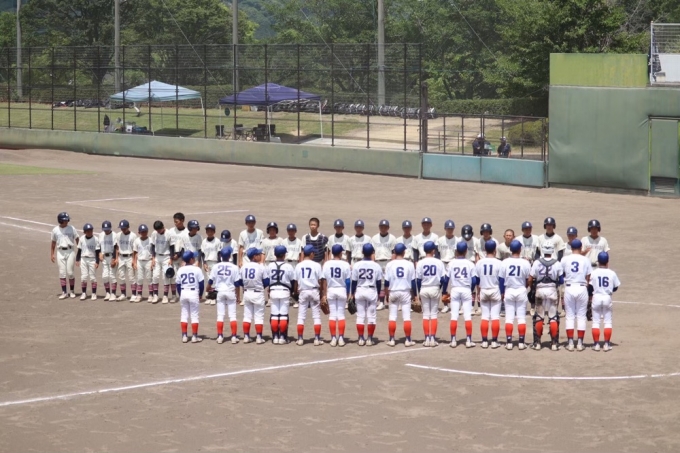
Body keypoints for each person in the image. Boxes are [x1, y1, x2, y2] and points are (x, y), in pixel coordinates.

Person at [528, 243, 564, 351]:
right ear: (552, 250)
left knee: (539, 317)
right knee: (553, 317)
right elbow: (561, 280)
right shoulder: (557, 263)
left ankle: (537, 344)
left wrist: (531, 288)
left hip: (540, 290)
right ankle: (554, 344)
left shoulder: (537, 262)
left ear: (543, 250)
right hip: (552, 290)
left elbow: (530, 278)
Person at [560, 239, 592, 352]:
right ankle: (579, 343)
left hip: (569, 287)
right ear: (581, 247)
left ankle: (570, 343)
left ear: (571, 248)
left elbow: (561, 274)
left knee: (569, 316)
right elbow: (588, 276)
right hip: (582, 287)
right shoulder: (585, 259)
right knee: (581, 317)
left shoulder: (565, 259)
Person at [498, 240, 531, 350]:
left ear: (510, 250)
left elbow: (501, 280)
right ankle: (521, 342)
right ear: (520, 249)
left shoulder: (504, 262)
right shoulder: (525, 263)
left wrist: (502, 292)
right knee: (521, 318)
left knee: (509, 318)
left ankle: (509, 342)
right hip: (521, 290)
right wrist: (525, 287)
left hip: (509, 290)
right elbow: (528, 279)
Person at [350, 243, 383, 346]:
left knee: (360, 316)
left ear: (362, 252)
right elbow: (378, 282)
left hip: (360, 290)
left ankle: (361, 338)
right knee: (371, 316)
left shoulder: (357, 265)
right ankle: (369, 339)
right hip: (371, 291)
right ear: (373, 252)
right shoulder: (376, 266)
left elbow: (354, 282)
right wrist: (378, 293)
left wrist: (352, 294)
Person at [446, 242, 478, 348]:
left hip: (455, 289)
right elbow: (474, 280)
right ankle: (468, 340)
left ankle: (453, 340)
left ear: (456, 251)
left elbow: (446, 279)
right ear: (466, 251)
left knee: (454, 316)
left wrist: (444, 291)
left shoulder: (451, 263)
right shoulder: (470, 263)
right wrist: (471, 289)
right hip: (466, 289)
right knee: (467, 316)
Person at [207, 247, 242, 344]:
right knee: (232, 316)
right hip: (231, 292)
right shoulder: (234, 267)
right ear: (230, 256)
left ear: (220, 256)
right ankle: (234, 337)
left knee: (220, 315)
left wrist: (207, 289)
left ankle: (220, 337)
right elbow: (237, 284)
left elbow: (210, 281)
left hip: (220, 292)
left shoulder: (216, 266)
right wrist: (238, 296)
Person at [416, 241, 448, 347]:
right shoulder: (439, 262)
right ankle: (433, 339)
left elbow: (418, 280)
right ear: (433, 250)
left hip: (424, 288)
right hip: (435, 288)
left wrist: (419, 291)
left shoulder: (420, 262)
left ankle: (426, 339)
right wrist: (441, 289)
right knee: (433, 314)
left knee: (426, 315)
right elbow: (443, 279)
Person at [384, 243, 417, 347]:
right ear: (404, 252)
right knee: (407, 317)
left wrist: (386, 294)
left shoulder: (389, 264)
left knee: (392, 317)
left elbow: (386, 282)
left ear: (394, 252)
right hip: (405, 292)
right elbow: (413, 282)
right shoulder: (409, 264)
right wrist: (415, 295)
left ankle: (391, 340)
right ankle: (408, 340)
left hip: (393, 291)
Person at [295, 245, 325, 346]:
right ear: (311, 253)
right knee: (316, 316)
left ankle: (300, 339)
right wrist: (322, 293)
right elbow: (321, 281)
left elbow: (296, 281)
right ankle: (317, 339)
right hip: (314, 291)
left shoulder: (298, 265)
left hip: (303, 291)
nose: (314, 254)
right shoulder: (317, 265)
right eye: (314, 253)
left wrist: (295, 292)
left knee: (301, 316)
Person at [590, 252, 620, 352]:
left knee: (596, 322)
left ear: (598, 262)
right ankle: (607, 344)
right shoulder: (612, 273)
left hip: (596, 297)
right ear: (607, 262)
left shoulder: (594, 272)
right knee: (608, 322)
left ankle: (596, 344)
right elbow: (616, 287)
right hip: (607, 297)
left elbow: (590, 287)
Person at [475, 241, 503, 349]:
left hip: (484, 289)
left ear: (485, 250)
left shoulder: (479, 263)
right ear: (495, 250)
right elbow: (501, 280)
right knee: (495, 317)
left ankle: (484, 341)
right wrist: (502, 292)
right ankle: (494, 341)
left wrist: (478, 291)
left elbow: (477, 280)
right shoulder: (499, 263)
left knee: (485, 317)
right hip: (495, 290)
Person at [322, 244, 351, 347]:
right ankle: (341, 338)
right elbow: (348, 281)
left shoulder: (326, 264)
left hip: (331, 290)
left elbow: (324, 280)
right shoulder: (345, 264)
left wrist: (324, 294)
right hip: (342, 289)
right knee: (341, 315)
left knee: (332, 316)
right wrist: (348, 293)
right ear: (340, 253)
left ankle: (333, 338)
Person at [267, 245, 296, 345]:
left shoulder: (270, 266)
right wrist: (292, 291)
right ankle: (282, 337)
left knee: (274, 315)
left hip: (273, 291)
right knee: (283, 315)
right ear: (284, 255)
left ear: (275, 254)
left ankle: (275, 337)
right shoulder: (288, 266)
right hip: (284, 291)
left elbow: (267, 279)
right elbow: (292, 281)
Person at [240, 248, 269, 344]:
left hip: (247, 293)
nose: (260, 256)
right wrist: (260, 287)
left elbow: (240, 281)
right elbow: (266, 282)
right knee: (259, 317)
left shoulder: (243, 267)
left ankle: (246, 337)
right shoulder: (261, 267)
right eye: (258, 254)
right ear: (254, 257)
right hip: (258, 293)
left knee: (247, 316)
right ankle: (259, 338)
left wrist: (246, 286)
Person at [176, 251, 205, 343]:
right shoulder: (197, 269)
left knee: (184, 315)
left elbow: (178, 285)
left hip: (184, 292)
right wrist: (200, 294)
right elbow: (201, 284)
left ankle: (184, 336)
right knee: (194, 315)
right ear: (191, 259)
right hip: (193, 293)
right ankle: (194, 337)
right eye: (194, 258)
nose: (195, 259)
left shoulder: (180, 270)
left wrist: (181, 294)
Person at [51, 212, 79, 299]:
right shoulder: (55, 230)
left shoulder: (72, 228)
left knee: (70, 272)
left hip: (70, 251)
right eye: (65, 220)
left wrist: (79, 252)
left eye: (67, 220)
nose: (67, 221)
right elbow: (53, 242)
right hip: (60, 252)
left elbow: (77, 239)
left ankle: (72, 291)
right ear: (60, 221)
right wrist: (52, 254)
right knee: (62, 273)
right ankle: (64, 292)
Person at [371, 219, 396, 310]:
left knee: (390, 281)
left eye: (385, 227)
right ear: (379, 227)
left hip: (388, 261)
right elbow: (373, 252)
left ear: (388, 227)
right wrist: (373, 262)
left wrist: (392, 263)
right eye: (381, 227)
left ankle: (391, 300)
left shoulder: (392, 238)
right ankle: (381, 302)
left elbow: (394, 252)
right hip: (378, 261)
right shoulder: (374, 238)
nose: (383, 228)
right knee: (380, 282)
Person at [436, 219, 458, 314]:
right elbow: (437, 254)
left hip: (452, 263)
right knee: (442, 284)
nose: (450, 230)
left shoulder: (457, 240)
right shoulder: (440, 240)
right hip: (442, 263)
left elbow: (458, 253)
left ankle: (454, 305)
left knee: (452, 285)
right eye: (448, 228)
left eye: (451, 228)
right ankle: (445, 305)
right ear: (445, 229)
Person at [460, 224, 481, 315]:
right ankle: (463, 306)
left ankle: (473, 307)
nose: (467, 237)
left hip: (473, 264)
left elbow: (477, 254)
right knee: (464, 286)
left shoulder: (476, 241)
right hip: (463, 265)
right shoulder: (460, 240)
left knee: (475, 286)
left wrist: (476, 265)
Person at [76, 223, 100, 300]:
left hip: (92, 259)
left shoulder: (96, 239)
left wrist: (97, 262)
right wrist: (77, 259)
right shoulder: (82, 239)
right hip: (83, 259)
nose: (90, 232)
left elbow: (97, 252)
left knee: (93, 277)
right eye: (88, 231)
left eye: (91, 230)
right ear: (85, 232)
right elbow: (79, 250)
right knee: (84, 277)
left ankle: (94, 293)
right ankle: (84, 293)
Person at [150, 221, 172, 304]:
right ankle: (155, 295)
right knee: (155, 276)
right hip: (157, 256)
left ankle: (165, 296)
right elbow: (153, 246)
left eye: (159, 230)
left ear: (163, 227)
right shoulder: (154, 233)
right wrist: (153, 258)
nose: (158, 231)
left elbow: (172, 247)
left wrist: (171, 259)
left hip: (166, 257)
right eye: (157, 230)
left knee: (165, 277)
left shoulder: (168, 234)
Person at [115, 219, 137, 301]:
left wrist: (134, 260)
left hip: (130, 257)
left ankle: (134, 294)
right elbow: (117, 247)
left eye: (124, 228)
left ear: (128, 227)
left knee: (131, 277)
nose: (123, 230)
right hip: (121, 257)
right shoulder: (118, 235)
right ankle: (123, 294)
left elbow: (135, 249)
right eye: (121, 228)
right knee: (121, 276)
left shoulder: (133, 236)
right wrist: (116, 258)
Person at [167, 212, 187, 302]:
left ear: (182, 221)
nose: (175, 223)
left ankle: (183, 295)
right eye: (174, 221)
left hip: (183, 258)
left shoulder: (186, 232)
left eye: (177, 221)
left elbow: (185, 246)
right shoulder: (171, 231)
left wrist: (178, 255)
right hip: (173, 258)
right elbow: (169, 244)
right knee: (173, 277)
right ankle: (174, 295)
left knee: (183, 277)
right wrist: (172, 256)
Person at [132, 224, 154, 303]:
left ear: (147, 231)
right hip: (140, 261)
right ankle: (139, 295)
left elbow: (153, 252)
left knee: (149, 278)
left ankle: (151, 295)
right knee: (139, 278)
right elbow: (135, 252)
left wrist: (153, 261)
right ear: (139, 232)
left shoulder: (151, 240)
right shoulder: (137, 241)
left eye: (145, 231)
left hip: (148, 260)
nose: (144, 233)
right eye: (142, 232)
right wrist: (134, 262)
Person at [201, 224, 220, 305]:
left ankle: (213, 297)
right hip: (207, 262)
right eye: (208, 231)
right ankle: (209, 297)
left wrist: (219, 264)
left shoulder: (217, 241)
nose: (209, 232)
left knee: (214, 280)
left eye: (211, 231)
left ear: (214, 232)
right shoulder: (204, 241)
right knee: (208, 279)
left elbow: (219, 253)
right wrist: (204, 263)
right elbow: (202, 253)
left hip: (215, 262)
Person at [98, 221, 117, 301]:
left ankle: (113, 294)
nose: (106, 231)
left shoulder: (114, 235)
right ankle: (108, 293)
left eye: (107, 229)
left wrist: (114, 258)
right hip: (104, 257)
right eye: (105, 229)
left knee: (112, 276)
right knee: (105, 276)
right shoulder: (101, 235)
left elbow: (116, 248)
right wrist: (100, 253)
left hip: (111, 256)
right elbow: (99, 246)